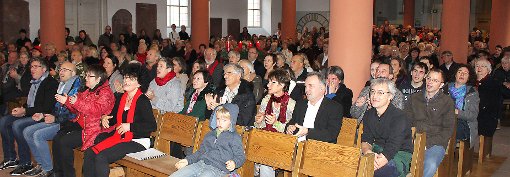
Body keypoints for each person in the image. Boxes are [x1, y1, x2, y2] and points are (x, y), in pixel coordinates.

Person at [83, 63, 156, 177]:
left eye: (131, 79)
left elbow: (151, 126)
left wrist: (129, 126)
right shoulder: (122, 98)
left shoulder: (142, 101)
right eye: (126, 77)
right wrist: (104, 118)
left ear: (139, 83)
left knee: (102, 156)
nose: (126, 81)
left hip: (138, 141)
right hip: (121, 137)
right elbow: (113, 119)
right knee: (90, 152)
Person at [52, 65, 115, 177]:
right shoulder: (88, 91)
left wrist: (75, 102)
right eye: (86, 75)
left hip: (97, 131)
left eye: (89, 76)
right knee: (62, 141)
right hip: (86, 128)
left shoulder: (105, 93)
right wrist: (67, 101)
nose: (86, 78)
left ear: (98, 79)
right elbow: (77, 110)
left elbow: (96, 110)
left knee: (67, 143)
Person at [0, 59, 58, 175]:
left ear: (44, 69)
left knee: (17, 125)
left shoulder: (50, 83)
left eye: (36, 66)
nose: (32, 69)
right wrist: (22, 109)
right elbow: (32, 103)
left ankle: (26, 162)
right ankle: (11, 158)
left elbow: (45, 108)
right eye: (31, 66)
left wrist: (25, 111)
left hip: (42, 116)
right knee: (4, 121)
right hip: (31, 113)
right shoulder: (35, 82)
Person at [22, 62, 81, 177]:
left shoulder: (76, 89)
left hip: (66, 124)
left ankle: (48, 169)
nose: (61, 72)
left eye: (65, 70)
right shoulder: (62, 84)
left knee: (38, 135)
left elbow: (73, 114)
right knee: (27, 131)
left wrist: (55, 118)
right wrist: (43, 115)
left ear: (73, 73)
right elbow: (54, 108)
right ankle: (41, 164)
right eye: (61, 69)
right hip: (57, 120)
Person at [171, 104, 246, 177]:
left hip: (217, 169)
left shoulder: (234, 138)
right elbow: (200, 152)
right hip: (200, 164)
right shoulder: (210, 135)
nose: (220, 122)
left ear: (231, 121)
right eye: (218, 119)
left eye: (224, 120)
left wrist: (234, 163)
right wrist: (187, 161)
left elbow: (240, 156)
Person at [405, 69, 455, 177]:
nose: (430, 82)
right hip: (413, 139)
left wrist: (426, 144)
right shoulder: (414, 98)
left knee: (430, 164)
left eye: (435, 80)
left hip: (435, 142)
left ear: (441, 85)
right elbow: (407, 122)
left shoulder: (447, 102)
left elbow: (448, 130)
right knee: (397, 159)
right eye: (429, 78)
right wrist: (412, 139)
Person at [361, 78, 413, 177]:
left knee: (374, 172)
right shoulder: (368, 114)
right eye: (372, 91)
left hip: (398, 154)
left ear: (390, 96)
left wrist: (375, 164)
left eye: (380, 93)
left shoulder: (399, 117)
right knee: (350, 164)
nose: (374, 96)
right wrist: (368, 152)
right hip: (376, 151)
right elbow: (366, 139)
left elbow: (393, 147)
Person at [254, 69, 295, 177]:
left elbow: (289, 132)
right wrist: (259, 121)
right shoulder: (266, 99)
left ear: (282, 85)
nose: (268, 85)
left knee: (264, 163)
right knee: (250, 150)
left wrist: (275, 123)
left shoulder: (291, 104)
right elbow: (259, 125)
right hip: (265, 138)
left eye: (273, 82)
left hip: (281, 143)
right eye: (269, 82)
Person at [285, 72, 343, 143]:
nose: (306, 90)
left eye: (310, 86)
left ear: (322, 88)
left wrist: (307, 131)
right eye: (305, 86)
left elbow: (331, 134)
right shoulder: (301, 103)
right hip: (296, 144)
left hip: (319, 149)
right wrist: (289, 127)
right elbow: (293, 121)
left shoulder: (334, 108)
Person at [445, 64, 479, 147]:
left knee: (453, 127)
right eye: (459, 72)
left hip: (463, 123)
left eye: (465, 73)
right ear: (455, 74)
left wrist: (457, 112)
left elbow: (472, 115)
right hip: (444, 119)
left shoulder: (472, 93)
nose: (462, 74)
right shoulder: (445, 88)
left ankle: (446, 155)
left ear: (469, 77)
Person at [475, 59, 501, 137]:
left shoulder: (494, 83)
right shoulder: (471, 82)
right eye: (477, 66)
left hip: (486, 116)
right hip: (471, 114)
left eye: (483, 66)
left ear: (488, 69)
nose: (479, 68)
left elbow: (495, 103)